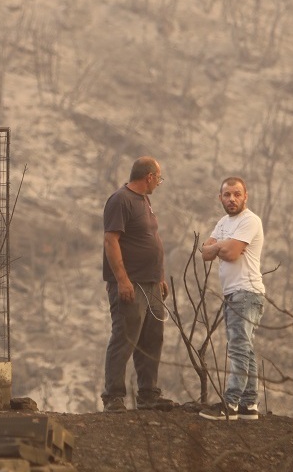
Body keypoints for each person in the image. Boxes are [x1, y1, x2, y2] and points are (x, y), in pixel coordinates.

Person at [100, 156, 175, 412]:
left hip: (152, 283)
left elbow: (151, 239)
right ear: (149, 177)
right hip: (131, 284)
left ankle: (148, 394)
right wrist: (122, 280)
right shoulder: (120, 200)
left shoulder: (145, 200)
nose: (158, 183)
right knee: (125, 336)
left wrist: (160, 276)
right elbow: (111, 241)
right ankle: (114, 396)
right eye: (158, 178)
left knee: (152, 338)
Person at [199, 176, 266, 421]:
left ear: (245, 196)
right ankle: (249, 405)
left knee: (238, 348)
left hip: (247, 292)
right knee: (245, 349)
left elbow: (230, 253)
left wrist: (221, 246)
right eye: (227, 195)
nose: (232, 199)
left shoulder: (250, 220)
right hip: (233, 293)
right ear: (220, 198)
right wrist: (221, 246)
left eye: (237, 194)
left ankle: (231, 403)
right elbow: (205, 252)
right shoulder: (223, 222)